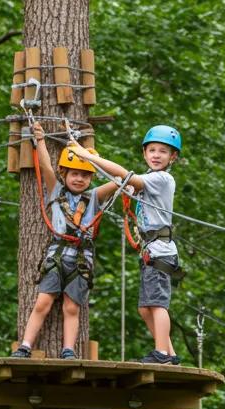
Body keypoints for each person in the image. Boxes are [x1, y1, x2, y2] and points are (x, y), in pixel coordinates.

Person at [69, 124, 183, 364]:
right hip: (151, 251)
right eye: (152, 150)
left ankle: (161, 353)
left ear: (173, 157)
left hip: (160, 250)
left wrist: (86, 156)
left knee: (157, 303)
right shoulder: (150, 180)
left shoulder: (161, 179)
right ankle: (170, 353)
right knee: (145, 308)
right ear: (144, 153)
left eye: (163, 151)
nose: (156, 155)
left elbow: (123, 175)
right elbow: (121, 183)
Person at [12, 124, 120, 359]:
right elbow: (45, 167)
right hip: (58, 255)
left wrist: (89, 158)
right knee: (42, 303)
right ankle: (25, 345)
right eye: (74, 173)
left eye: (85, 175)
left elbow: (121, 178)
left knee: (71, 307)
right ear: (65, 174)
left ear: (91, 178)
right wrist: (39, 140)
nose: (79, 179)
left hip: (81, 259)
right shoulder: (56, 191)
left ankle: (68, 350)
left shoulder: (94, 198)